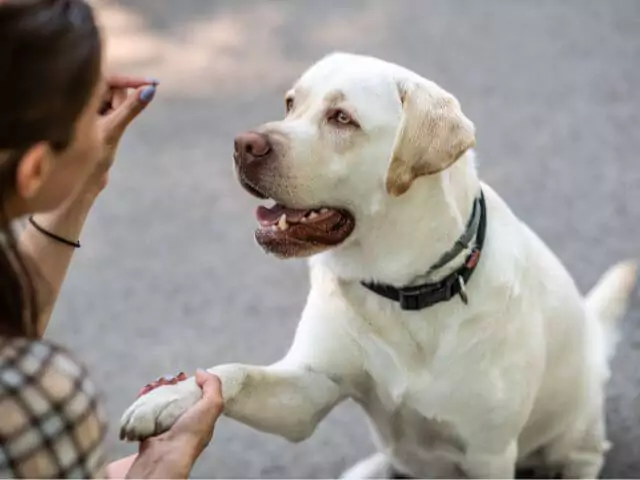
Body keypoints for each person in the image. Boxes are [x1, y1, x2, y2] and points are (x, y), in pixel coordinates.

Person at [0, 0, 223, 478]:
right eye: (86, 109)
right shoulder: (36, 399)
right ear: (35, 168)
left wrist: (80, 187)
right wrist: (158, 471)